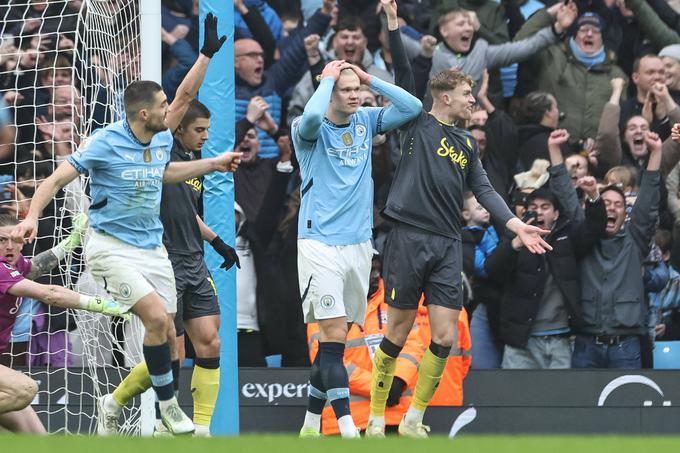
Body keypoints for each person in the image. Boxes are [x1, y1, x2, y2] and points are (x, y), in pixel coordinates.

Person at [10, 13, 238, 436]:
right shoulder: (103, 142)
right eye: (165, 108)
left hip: (153, 249)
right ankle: (169, 407)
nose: (173, 112)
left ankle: (117, 404)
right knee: (156, 320)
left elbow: (184, 107)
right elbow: (57, 178)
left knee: (169, 335)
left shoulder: (162, 140)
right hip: (110, 247)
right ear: (144, 113)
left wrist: (206, 55)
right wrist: (32, 215)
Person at [366, 0, 551, 439]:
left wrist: (516, 226)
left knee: (445, 336)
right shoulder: (414, 120)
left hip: (448, 242)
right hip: (408, 237)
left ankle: (413, 418)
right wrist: (393, 24)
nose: (474, 102)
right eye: (469, 95)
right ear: (445, 96)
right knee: (398, 328)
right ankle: (376, 416)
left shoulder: (467, 143)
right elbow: (403, 74)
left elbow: (484, 190)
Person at [292, 13, 422, 435]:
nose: (353, 96)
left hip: (359, 245)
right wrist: (327, 80)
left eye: (355, 91)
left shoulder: (366, 122)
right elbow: (312, 119)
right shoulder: (307, 130)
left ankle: (311, 424)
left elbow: (413, 107)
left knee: (332, 343)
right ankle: (348, 426)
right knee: (330, 336)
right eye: (345, 90)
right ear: (329, 91)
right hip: (318, 244)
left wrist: (370, 79)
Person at [95, 100, 240, 437]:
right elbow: (183, 96)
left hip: (194, 259)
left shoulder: (191, 162)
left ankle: (202, 430)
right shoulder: (159, 157)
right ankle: (130, 409)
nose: (206, 136)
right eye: (199, 130)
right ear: (177, 129)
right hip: (162, 260)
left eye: (207, 129)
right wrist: (204, 58)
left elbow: (186, 211)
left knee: (211, 342)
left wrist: (217, 240)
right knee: (172, 349)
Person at [0, 213, 125, 433]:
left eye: (15, 239)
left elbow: (37, 266)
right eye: (2, 240)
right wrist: (103, 305)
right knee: (25, 390)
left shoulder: (15, 265)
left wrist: (71, 241)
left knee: (40, 439)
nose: (9, 246)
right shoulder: (2, 269)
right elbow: (49, 293)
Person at [549, 128, 662, 369]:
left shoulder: (636, 238)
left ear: (626, 212)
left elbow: (650, 198)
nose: (611, 209)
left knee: (626, 406)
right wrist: (554, 150)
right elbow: (568, 198)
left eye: (618, 205)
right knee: (582, 407)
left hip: (626, 345)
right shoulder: (585, 235)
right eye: (606, 203)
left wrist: (656, 153)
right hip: (586, 342)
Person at [485, 184, 606, 369]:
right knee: (515, 398)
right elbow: (492, 269)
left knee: (559, 398)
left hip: (560, 339)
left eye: (545, 207)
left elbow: (594, 229)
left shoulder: (567, 236)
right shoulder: (513, 238)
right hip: (521, 342)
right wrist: (515, 244)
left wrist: (594, 198)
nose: (538, 213)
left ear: (556, 214)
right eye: (533, 208)